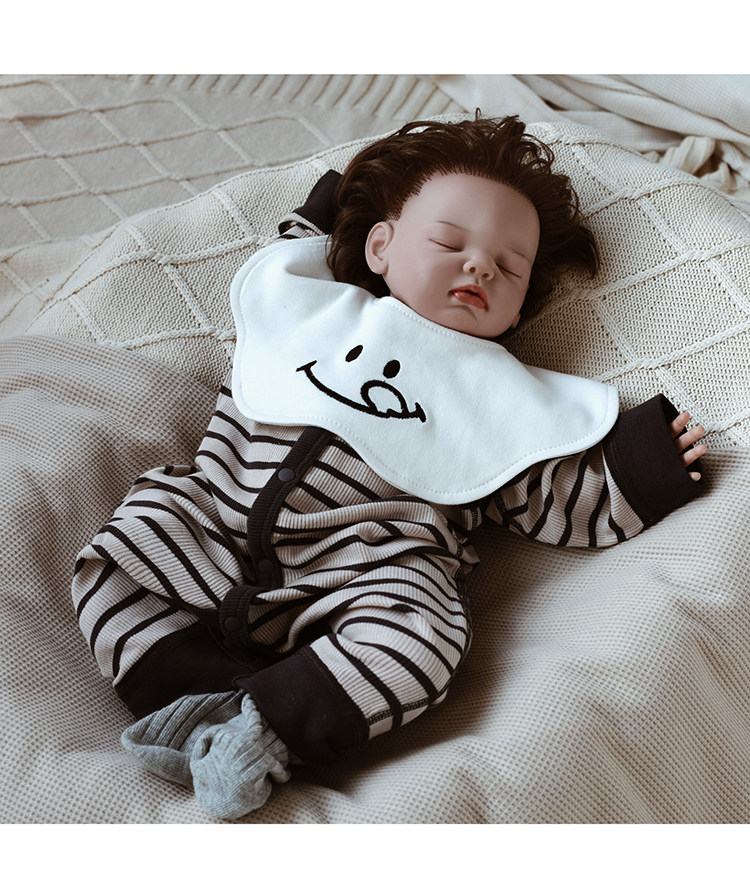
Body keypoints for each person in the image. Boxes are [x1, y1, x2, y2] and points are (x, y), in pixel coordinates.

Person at [72, 116, 707, 819]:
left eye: (509, 267)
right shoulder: (312, 305)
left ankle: (267, 728)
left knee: (425, 637)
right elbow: (293, 244)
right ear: (379, 245)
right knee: (120, 554)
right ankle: (199, 702)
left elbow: (552, 495)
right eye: (449, 242)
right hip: (213, 520)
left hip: (365, 568)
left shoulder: (499, 393)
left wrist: (643, 464)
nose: (480, 266)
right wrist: (328, 209)